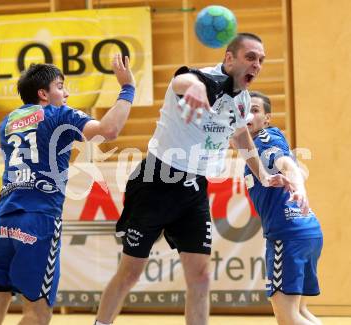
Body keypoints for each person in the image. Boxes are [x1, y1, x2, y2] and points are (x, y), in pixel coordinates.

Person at [94, 33, 292, 325]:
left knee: (200, 275)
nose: (257, 65)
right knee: (131, 271)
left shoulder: (243, 100)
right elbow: (182, 80)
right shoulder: (200, 79)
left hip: (194, 188)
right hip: (155, 183)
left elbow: (240, 136)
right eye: (250, 57)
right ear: (229, 58)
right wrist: (197, 89)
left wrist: (262, 174)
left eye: (261, 60)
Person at [0, 53, 135, 325]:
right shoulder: (58, 113)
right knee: (38, 313)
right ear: (43, 93)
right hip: (38, 220)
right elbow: (109, 130)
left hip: (3, 220)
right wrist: (127, 88)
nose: (67, 93)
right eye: (60, 87)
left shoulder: (8, 122)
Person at [244, 91, 323, 325]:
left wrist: (300, 187)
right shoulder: (255, 144)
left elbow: (285, 163)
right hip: (306, 231)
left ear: (267, 118)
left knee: (287, 317)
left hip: (287, 236)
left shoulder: (264, 140)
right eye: (244, 109)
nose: (248, 114)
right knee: (301, 312)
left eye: (255, 110)